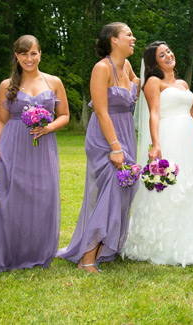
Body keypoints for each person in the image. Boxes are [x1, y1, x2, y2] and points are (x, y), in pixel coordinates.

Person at [123, 41, 193, 267]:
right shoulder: (154, 82)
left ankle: (190, 244)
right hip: (168, 136)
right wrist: (156, 144)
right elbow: (153, 114)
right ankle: (161, 244)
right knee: (168, 189)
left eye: (168, 51)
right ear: (154, 62)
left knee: (190, 186)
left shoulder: (183, 83)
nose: (167, 56)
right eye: (161, 55)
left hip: (188, 141)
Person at [57, 22, 140, 273]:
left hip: (126, 131)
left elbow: (137, 83)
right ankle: (87, 256)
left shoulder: (126, 65)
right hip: (105, 136)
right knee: (109, 192)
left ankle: (105, 247)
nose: (133, 38)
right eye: (128, 34)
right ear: (114, 40)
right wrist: (115, 147)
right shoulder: (101, 68)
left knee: (125, 189)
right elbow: (102, 111)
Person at [0, 35, 69, 272]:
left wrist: (48, 127)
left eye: (33, 53)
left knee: (43, 195)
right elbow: (1, 120)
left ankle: (38, 251)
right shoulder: (6, 85)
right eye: (23, 54)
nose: (28, 58)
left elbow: (64, 115)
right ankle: (11, 252)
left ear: (40, 54)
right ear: (16, 56)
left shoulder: (54, 82)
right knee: (11, 197)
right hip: (13, 144)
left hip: (44, 145)